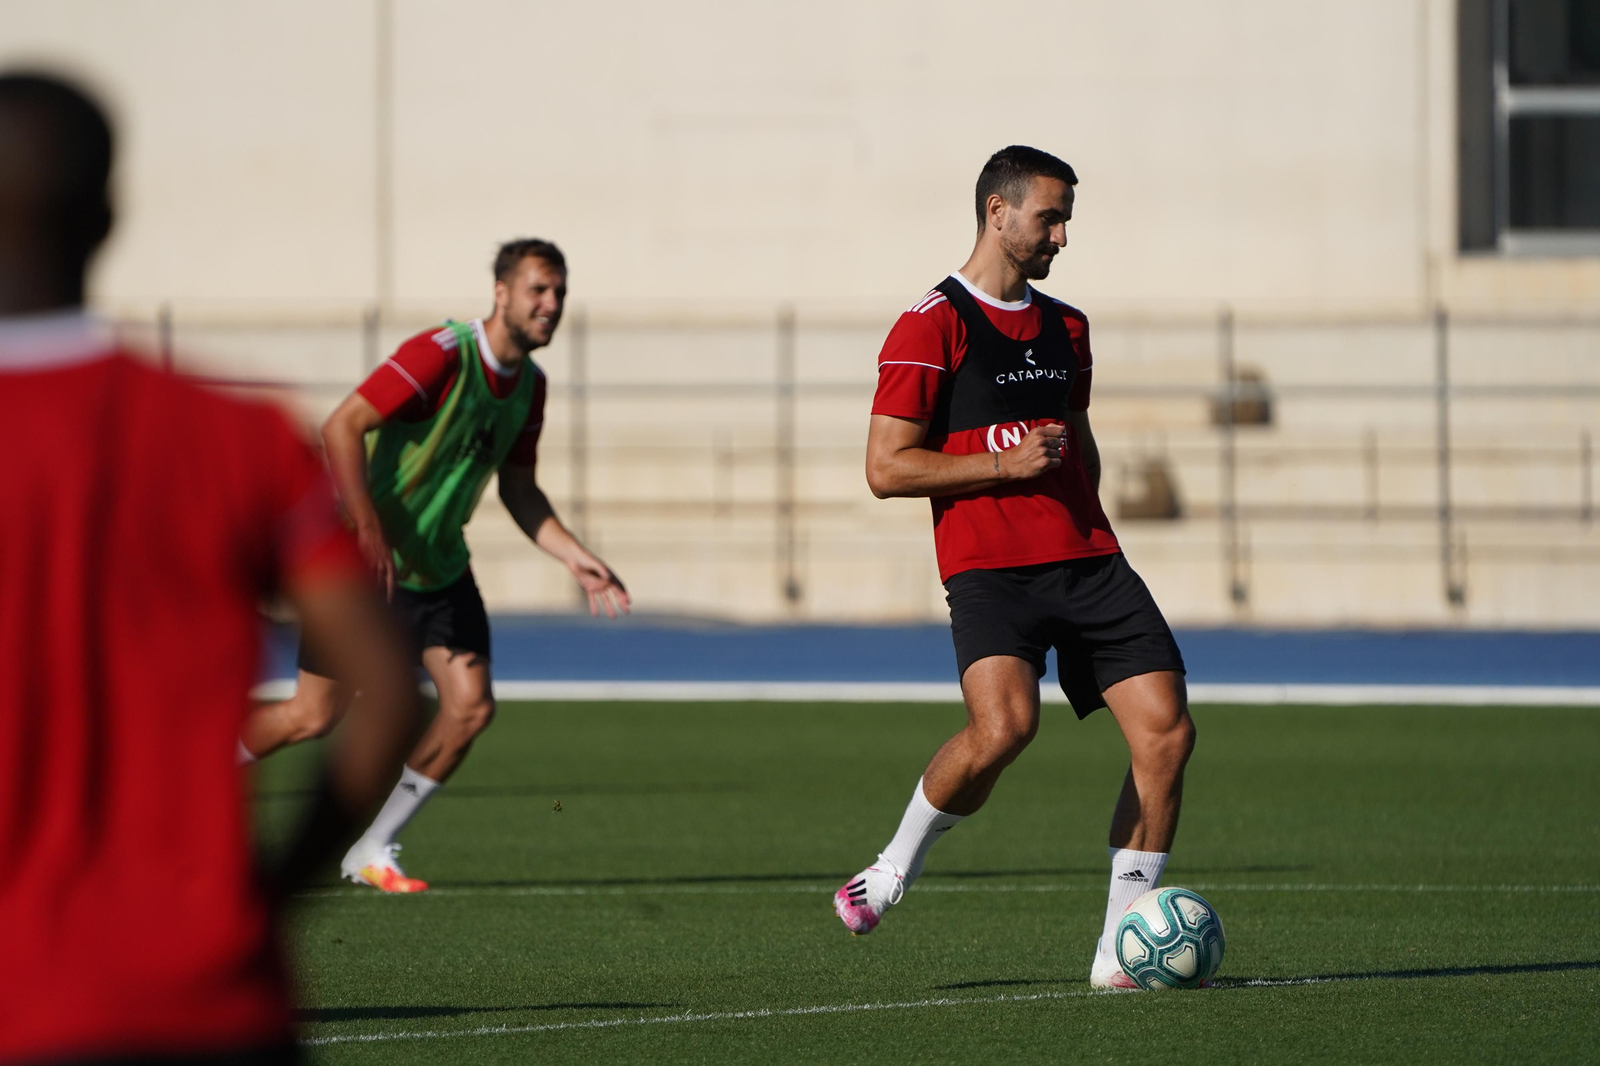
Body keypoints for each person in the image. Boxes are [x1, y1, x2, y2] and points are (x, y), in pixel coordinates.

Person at [0, 71, 420, 1064]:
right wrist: (270, 896)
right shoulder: (235, 438)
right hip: (203, 998)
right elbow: (387, 691)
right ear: (109, 215)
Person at [835, 145, 1195, 991]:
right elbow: (887, 468)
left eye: (1067, 218)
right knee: (1005, 730)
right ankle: (894, 865)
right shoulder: (931, 324)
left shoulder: (1069, 327)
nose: (1062, 235)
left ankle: (1117, 955)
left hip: (1091, 563)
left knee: (1167, 734)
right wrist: (1005, 469)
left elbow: (1079, 436)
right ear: (998, 213)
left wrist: (1087, 515)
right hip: (991, 570)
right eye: (1049, 216)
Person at [239, 238, 630, 894]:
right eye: (538, 289)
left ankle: (371, 847)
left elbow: (520, 489)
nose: (551, 304)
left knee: (470, 707)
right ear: (501, 292)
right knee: (312, 715)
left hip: (440, 568)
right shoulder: (442, 354)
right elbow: (341, 425)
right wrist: (363, 522)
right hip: (369, 569)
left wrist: (575, 555)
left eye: (559, 292)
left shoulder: (530, 388)